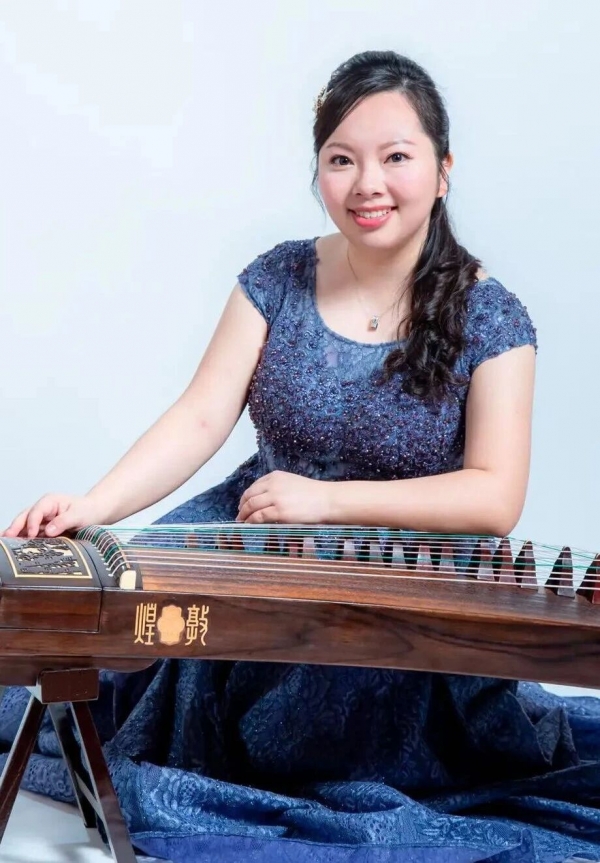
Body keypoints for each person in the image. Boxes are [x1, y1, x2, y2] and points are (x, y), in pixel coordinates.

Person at [3, 50, 600, 863]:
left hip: (394, 568)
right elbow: (201, 415)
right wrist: (94, 505)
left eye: (396, 156)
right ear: (318, 169)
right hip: (252, 533)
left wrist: (326, 501)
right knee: (113, 632)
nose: (368, 184)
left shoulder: (491, 316)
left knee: (317, 735)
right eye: (341, 159)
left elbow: (493, 496)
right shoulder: (280, 275)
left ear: (443, 170)